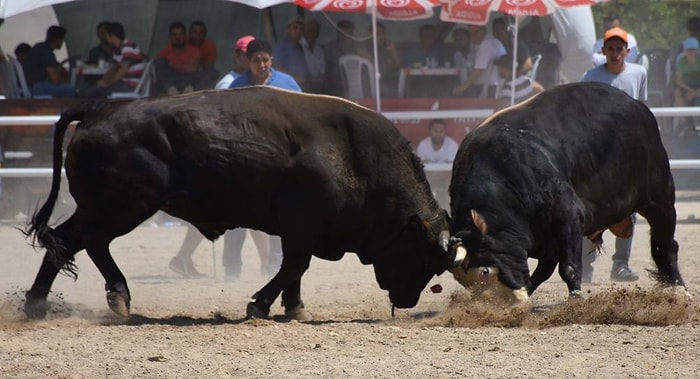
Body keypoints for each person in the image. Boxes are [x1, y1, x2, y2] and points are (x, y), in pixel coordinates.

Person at [580, 26, 646, 283]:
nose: (615, 53)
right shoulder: (590, 76)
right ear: (603, 51)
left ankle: (620, 264)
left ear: (627, 51)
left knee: (628, 207)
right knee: (590, 208)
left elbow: (642, 108)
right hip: (598, 152)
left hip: (627, 153)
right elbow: (583, 112)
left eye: (620, 49)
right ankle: (585, 266)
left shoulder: (638, 73)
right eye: (611, 49)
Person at [83, 22, 146, 98]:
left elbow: (123, 70)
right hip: (123, 82)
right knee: (91, 89)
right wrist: (102, 81)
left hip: (130, 85)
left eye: (106, 35)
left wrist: (107, 83)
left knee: (93, 93)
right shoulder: (118, 49)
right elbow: (114, 68)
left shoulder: (127, 47)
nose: (105, 38)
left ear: (112, 36)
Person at [156, 21, 216, 95]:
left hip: (190, 81)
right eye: (174, 35)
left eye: (180, 35)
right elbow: (161, 69)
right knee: (159, 62)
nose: (177, 38)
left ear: (185, 36)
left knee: (213, 72)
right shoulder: (165, 51)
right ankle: (170, 90)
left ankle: (192, 91)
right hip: (172, 81)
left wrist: (171, 65)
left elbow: (192, 69)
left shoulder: (195, 50)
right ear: (170, 36)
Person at [492, 17, 544, 94]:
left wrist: (514, 79)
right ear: (493, 32)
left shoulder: (517, 45)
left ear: (507, 31)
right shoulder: (492, 47)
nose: (499, 32)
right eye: (496, 30)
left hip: (517, 83)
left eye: (502, 29)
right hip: (497, 82)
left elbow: (528, 65)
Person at [452, 24, 506, 98]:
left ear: (484, 31)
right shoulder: (490, 41)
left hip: (493, 87)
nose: (474, 36)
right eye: (471, 33)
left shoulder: (487, 44)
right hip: (494, 86)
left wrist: (461, 89)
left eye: (477, 32)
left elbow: (477, 71)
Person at [21, 25, 76, 98]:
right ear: (58, 39)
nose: (62, 42)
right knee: (71, 89)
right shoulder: (46, 52)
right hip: (36, 88)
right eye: (62, 39)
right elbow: (55, 80)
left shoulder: (40, 47)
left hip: (30, 86)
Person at [415, 119, 459, 209]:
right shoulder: (423, 145)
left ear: (445, 131)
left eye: (441, 131)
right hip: (427, 181)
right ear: (430, 131)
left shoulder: (452, 145)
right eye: (435, 131)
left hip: (446, 181)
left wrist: (434, 178)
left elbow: (452, 171)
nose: (438, 134)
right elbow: (419, 170)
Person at [356, 22, 401, 98]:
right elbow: (375, 68)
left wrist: (392, 49)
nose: (381, 37)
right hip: (368, 83)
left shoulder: (384, 48)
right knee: (396, 95)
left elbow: (398, 66)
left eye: (383, 34)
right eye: (377, 34)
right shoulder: (362, 47)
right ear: (370, 34)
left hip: (386, 81)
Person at [272, 17, 309, 90]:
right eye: (295, 28)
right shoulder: (281, 46)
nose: (298, 31)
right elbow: (276, 66)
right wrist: (294, 77)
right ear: (288, 29)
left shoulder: (300, 46)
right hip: (288, 85)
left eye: (301, 29)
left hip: (302, 84)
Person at [324, 20, 357, 97]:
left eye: (350, 34)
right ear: (338, 33)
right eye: (344, 33)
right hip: (334, 89)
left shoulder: (357, 49)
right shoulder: (330, 48)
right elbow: (323, 71)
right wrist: (337, 82)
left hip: (354, 88)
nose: (347, 36)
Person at [300, 18, 327, 94]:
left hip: (317, 86)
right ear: (304, 31)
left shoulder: (319, 50)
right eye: (310, 30)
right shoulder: (297, 46)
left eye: (316, 31)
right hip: (302, 85)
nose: (313, 33)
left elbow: (322, 72)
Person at [673, 37, 700, 108]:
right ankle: (683, 117)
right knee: (677, 93)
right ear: (684, 50)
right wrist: (690, 90)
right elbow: (678, 80)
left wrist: (695, 92)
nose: (690, 52)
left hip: (698, 88)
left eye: (693, 50)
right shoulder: (681, 61)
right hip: (686, 88)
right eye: (688, 49)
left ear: (697, 51)